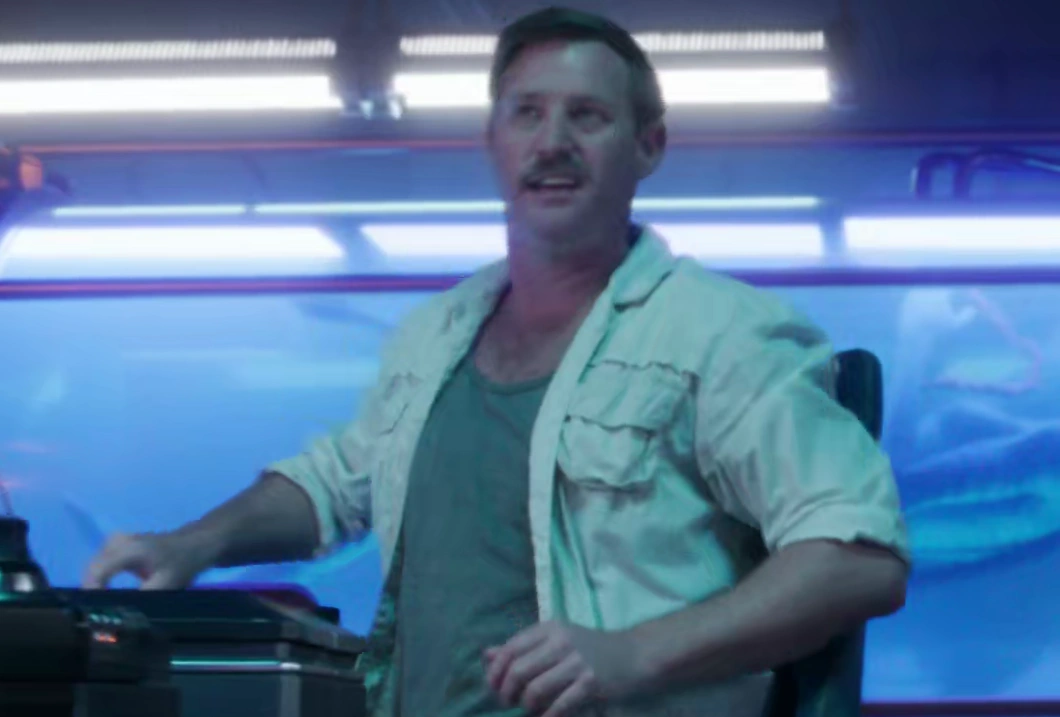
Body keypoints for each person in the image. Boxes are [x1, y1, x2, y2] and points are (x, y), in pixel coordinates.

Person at [84, 7, 910, 717]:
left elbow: (858, 560)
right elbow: (337, 482)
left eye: (588, 116)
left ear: (648, 144)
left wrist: (633, 653)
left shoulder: (722, 334)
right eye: (528, 114)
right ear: (492, 141)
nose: (553, 142)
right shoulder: (434, 335)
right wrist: (193, 543)